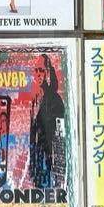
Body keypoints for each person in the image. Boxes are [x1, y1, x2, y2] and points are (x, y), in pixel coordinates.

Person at [28, 54, 64, 188]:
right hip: (38, 164)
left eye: (41, 70)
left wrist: (58, 170)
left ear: (48, 72)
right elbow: (33, 137)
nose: (38, 74)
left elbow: (60, 137)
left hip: (50, 165)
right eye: (36, 70)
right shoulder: (35, 100)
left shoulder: (56, 100)